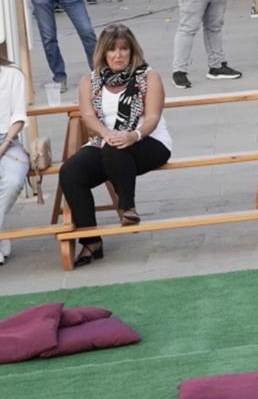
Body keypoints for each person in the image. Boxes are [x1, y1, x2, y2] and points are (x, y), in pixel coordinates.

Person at [58, 24, 173, 266]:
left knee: (115, 147)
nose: (118, 55)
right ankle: (91, 241)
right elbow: (88, 116)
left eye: (123, 49)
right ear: (103, 53)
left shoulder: (148, 77)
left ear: (132, 52)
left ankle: (127, 207)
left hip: (148, 141)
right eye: (112, 50)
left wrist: (134, 135)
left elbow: (152, 117)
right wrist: (108, 133)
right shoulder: (89, 81)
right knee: (70, 170)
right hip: (105, 140)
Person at [0, 12, 31, 267]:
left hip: (7, 140)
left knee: (14, 180)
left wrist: (2, 148)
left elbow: (19, 115)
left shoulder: (11, 73)